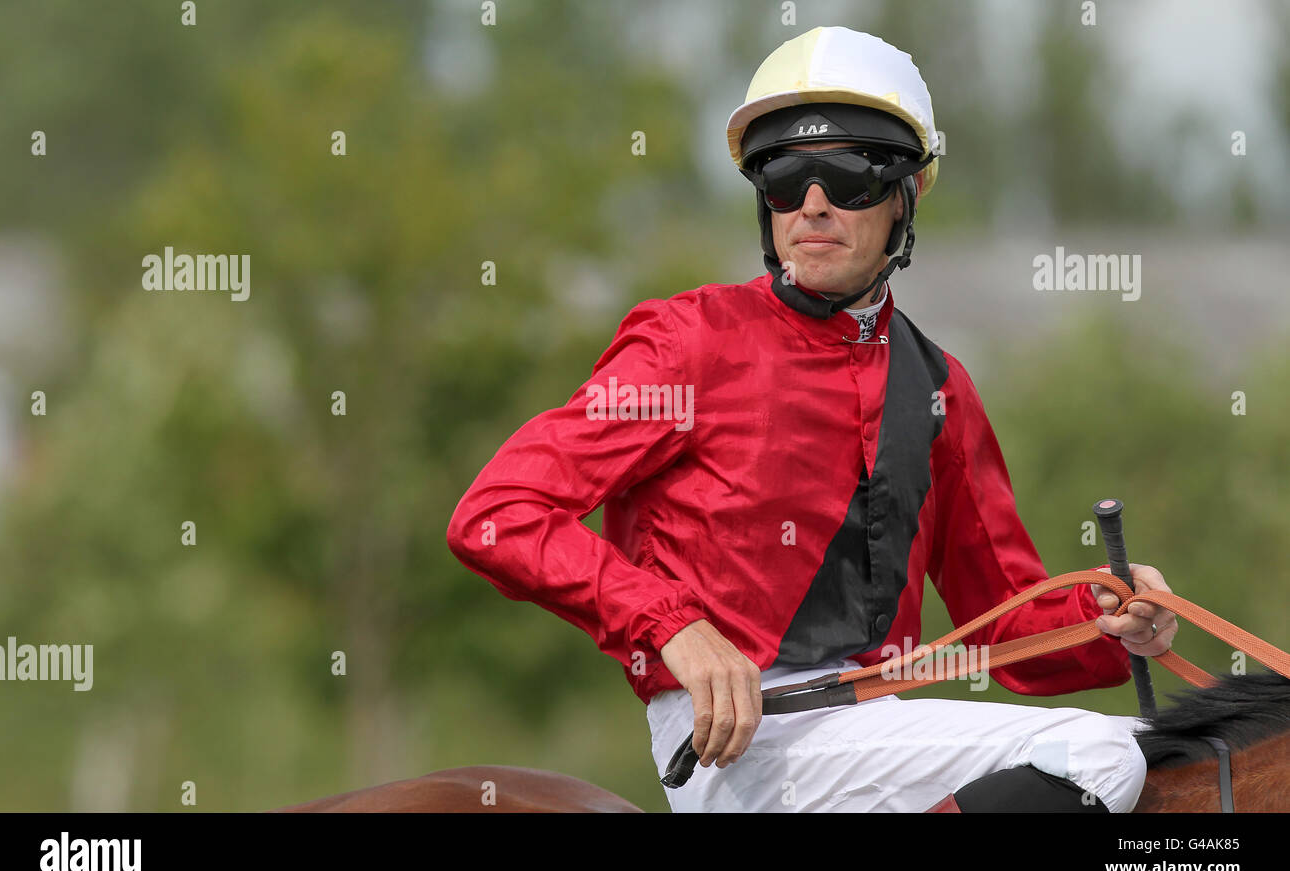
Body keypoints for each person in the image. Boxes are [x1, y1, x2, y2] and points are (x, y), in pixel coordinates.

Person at [446, 26, 1179, 812]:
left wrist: (1109, 617)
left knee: (1168, 759)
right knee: (1098, 753)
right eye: (785, 179)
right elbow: (496, 516)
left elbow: (1005, 626)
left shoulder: (941, 388)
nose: (814, 205)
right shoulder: (687, 342)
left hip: (876, 730)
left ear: (907, 194)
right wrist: (670, 626)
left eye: (850, 176)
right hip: (739, 747)